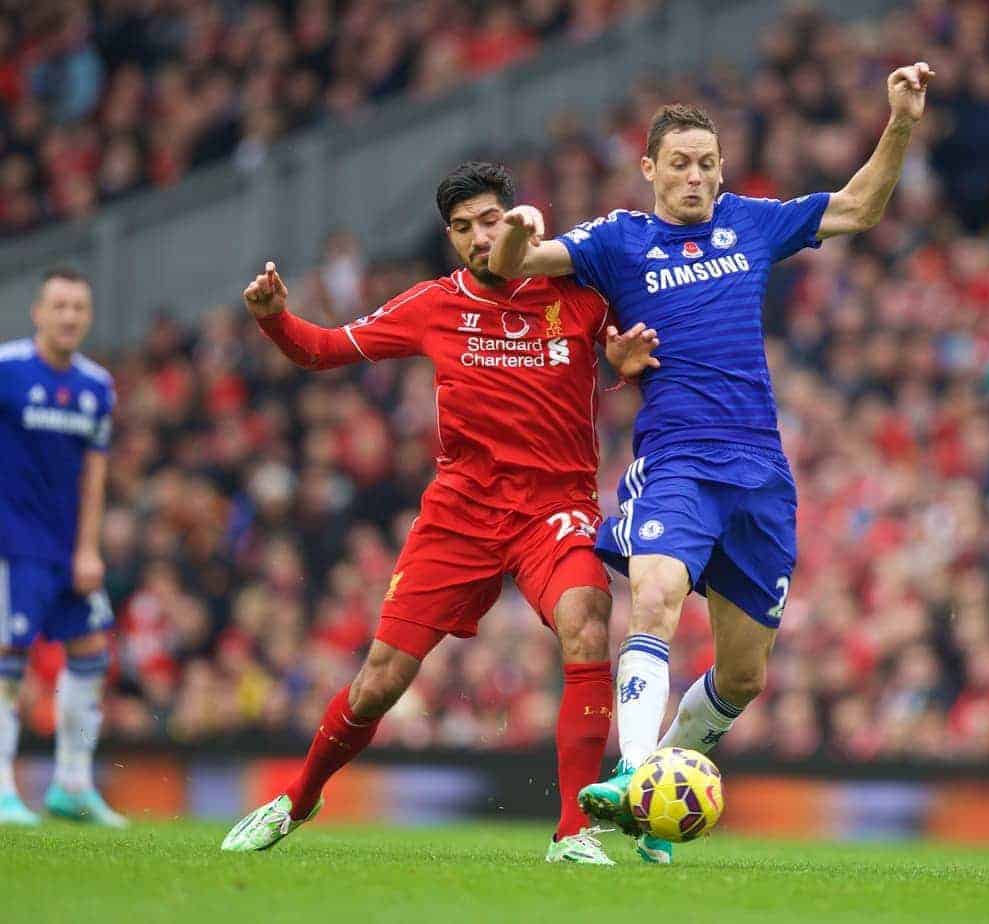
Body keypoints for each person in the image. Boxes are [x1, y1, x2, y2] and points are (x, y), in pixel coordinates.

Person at [489, 63, 934, 863]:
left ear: (721, 169)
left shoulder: (751, 224)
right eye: (680, 162)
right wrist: (519, 229)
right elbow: (521, 263)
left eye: (707, 162)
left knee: (745, 676)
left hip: (759, 474)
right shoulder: (619, 241)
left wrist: (899, 119)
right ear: (650, 169)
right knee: (655, 592)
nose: (695, 175)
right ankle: (632, 775)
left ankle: (654, 771)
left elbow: (861, 206)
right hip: (679, 463)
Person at [221, 162, 659, 864]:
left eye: (489, 220)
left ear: (515, 219)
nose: (478, 237)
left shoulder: (577, 293)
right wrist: (276, 319)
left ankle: (572, 834)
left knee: (587, 624)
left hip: (555, 510)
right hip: (460, 514)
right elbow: (324, 349)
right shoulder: (433, 304)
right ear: (450, 238)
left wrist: (624, 359)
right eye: (462, 228)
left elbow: (631, 350)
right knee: (379, 682)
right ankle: (296, 800)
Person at [0, 267, 125, 827]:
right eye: (60, 306)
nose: (70, 316)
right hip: (13, 544)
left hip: (68, 548)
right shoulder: (6, 370)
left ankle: (71, 786)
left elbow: (94, 473)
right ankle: (2, 788)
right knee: (9, 662)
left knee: (91, 652)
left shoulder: (96, 386)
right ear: (38, 312)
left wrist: (89, 549)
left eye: (79, 307)